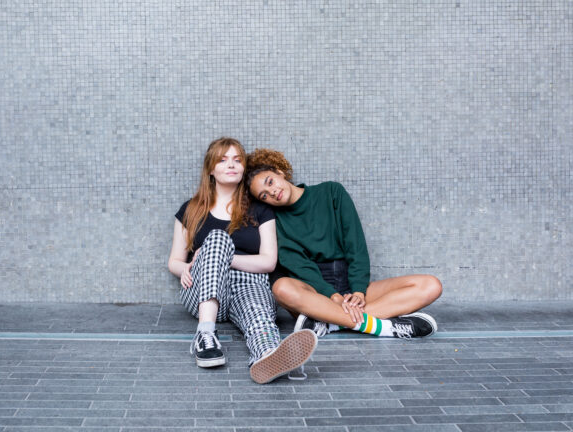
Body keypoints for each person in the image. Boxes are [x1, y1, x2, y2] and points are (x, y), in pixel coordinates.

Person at [245, 148, 443, 339]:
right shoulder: (275, 221)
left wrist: (358, 291)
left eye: (270, 182)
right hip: (315, 293)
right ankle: (382, 327)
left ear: (279, 172)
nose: (272, 192)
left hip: (350, 284)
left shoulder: (331, 191)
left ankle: (330, 323)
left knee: (430, 286)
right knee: (281, 288)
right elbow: (298, 265)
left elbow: (355, 245)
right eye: (264, 195)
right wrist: (332, 297)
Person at [168, 138, 317, 384]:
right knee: (217, 238)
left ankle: (268, 355)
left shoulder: (260, 209)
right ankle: (205, 336)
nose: (232, 165)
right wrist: (186, 267)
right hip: (202, 287)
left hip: (249, 284)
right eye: (223, 160)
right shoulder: (190, 210)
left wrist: (227, 258)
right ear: (211, 169)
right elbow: (174, 260)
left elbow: (268, 262)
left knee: (257, 312)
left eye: (237, 160)